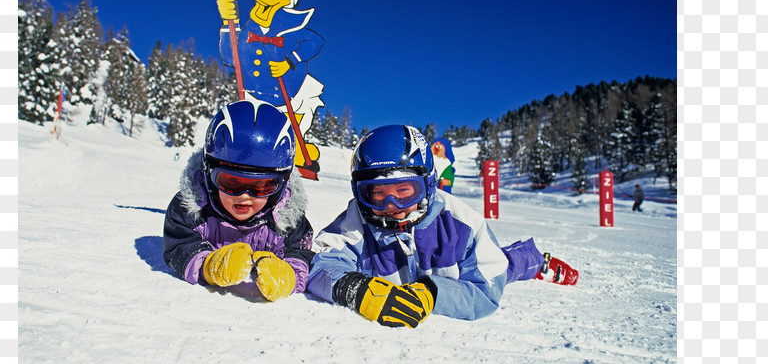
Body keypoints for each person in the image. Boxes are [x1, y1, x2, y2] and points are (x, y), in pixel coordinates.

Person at [306, 125, 578, 328]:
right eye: (376, 193)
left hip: (456, 278)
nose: (392, 205)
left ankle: (534, 259)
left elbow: (486, 287)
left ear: (428, 186)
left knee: (505, 265)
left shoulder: (461, 222)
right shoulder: (358, 219)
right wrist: (354, 289)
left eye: (404, 191)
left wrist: (434, 293)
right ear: (359, 192)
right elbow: (321, 263)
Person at [163, 100, 315, 301]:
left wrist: (289, 275)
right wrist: (208, 265)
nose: (244, 195)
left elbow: (301, 254)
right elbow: (178, 246)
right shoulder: (191, 210)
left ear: (282, 185)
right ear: (209, 174)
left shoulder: (288, 220)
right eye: (231, 182)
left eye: (261, 186)